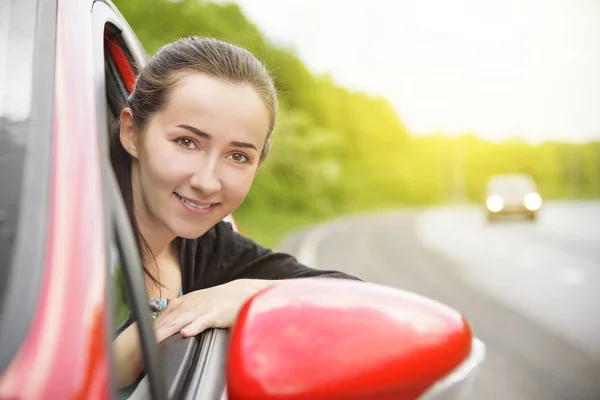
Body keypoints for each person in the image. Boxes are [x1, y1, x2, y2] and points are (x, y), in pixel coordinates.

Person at [109, 36, 360, 390]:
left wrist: (244, 294)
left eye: (238, 156)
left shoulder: (212, 250)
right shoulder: (64, 230)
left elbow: (356, 297)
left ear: (257, 167)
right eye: (187, 142)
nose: (208, 182)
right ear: (132, 132)